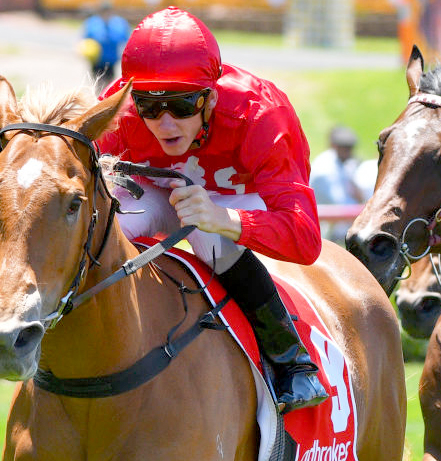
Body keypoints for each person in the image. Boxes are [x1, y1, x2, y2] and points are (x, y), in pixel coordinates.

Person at [96, 6, 327, 413]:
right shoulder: (119, 108)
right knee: (110, 224)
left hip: (239, 202)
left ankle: (290, 358)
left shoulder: (262, 114)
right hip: (164, 193)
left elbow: (305, 239)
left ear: (211, 97)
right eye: (150, 106)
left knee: (204, 229)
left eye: (183, 105)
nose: (165, 123)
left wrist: (223, 217)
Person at [309, 125, 367, 243]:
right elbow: (340, 204)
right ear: (335, 146)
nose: (349, 152)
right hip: (324, 229)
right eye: (345, 148)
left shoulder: (344, 163)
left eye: (350, 148)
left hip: (336, 226)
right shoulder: (325, 168)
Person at [80, 1, 130, 93]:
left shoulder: (119, 24)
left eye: (107, 11)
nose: (106, 14)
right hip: (96, 61)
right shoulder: (92, 23)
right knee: (97, 85)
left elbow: (126, 40)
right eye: (103, 11)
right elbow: (85, 40)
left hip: (110, 62)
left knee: (109, 86)